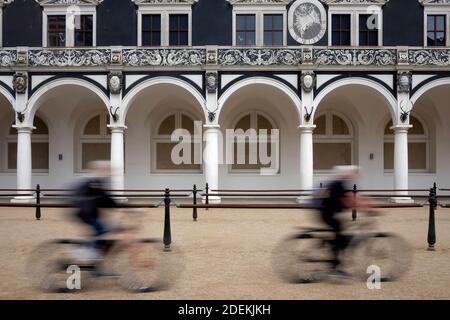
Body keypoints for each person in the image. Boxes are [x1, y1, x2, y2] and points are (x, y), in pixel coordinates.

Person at [317, 165, 371, 278]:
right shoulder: (340, 183)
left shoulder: (340, 183)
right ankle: (335, 268)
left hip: (327, 212)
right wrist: (367, 210)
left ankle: (334, 258)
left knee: (341, 232)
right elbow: (351, 200)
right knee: (339, 236)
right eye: (353, 174)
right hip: (328, 213)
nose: (354, 176)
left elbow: (354, 198)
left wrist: (365, 206)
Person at [71, 161, 119, 261]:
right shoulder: (94, 181)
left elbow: (106, 198)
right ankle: (86, 251)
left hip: (90, 212)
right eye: (109, 170)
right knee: (102, 230)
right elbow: (105, 197)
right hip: (85, 212)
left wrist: (125, 208)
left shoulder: (97, 181)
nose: (111, 173)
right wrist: (125, 208)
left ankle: (95, 255)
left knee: (112, 228)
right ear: (102, 170)